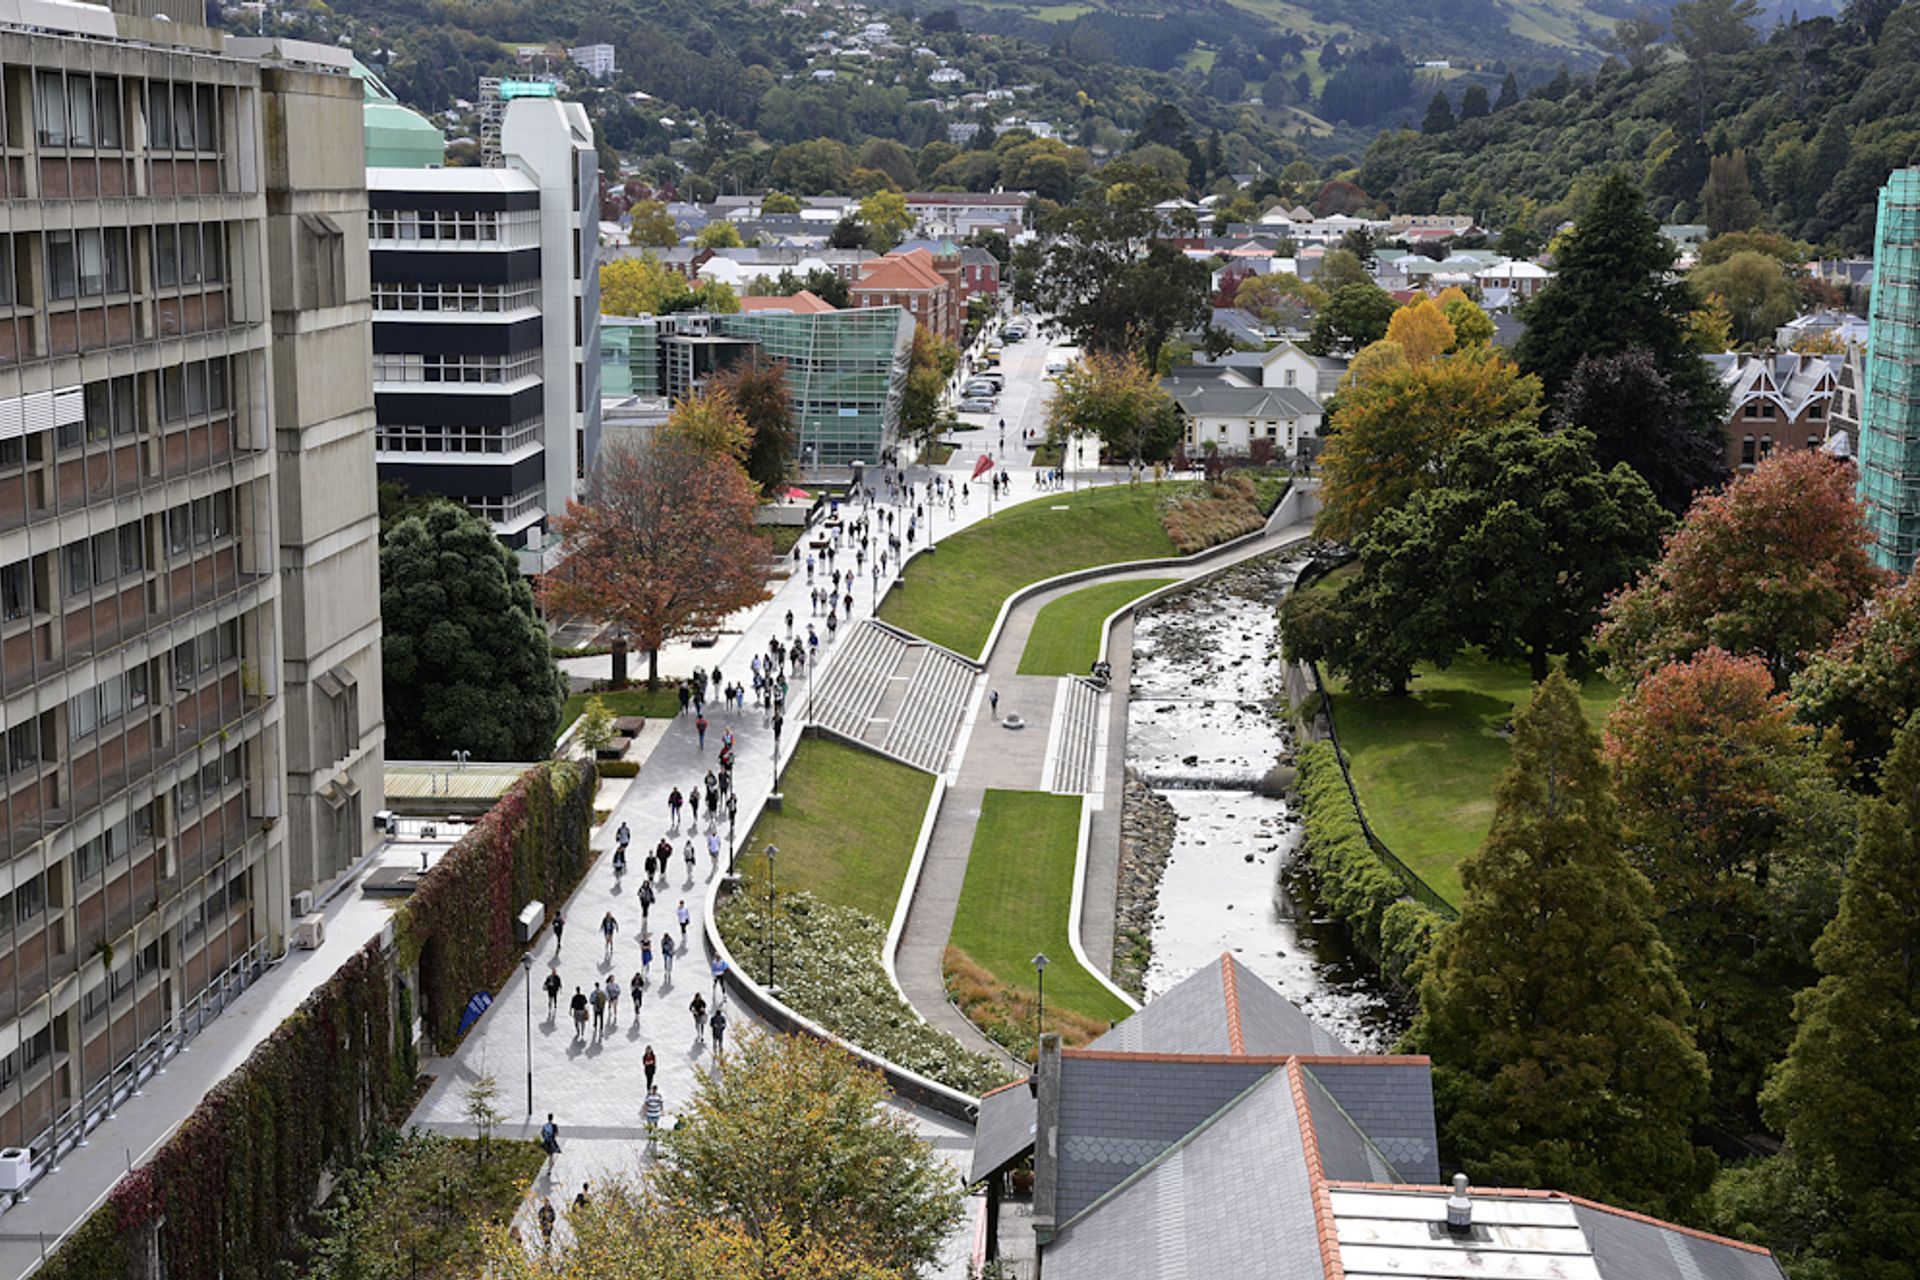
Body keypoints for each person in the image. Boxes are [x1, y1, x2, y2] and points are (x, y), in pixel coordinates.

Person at [643, 1085, 665, 1152]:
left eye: (655, 1089)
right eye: (653, 1089)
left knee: (655, 1123)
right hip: (649, 1112)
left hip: (656, 1112)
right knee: (649, 1124)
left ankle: (655, 1132)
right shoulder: (648, 1096)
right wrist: (645, 1111)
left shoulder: (659, 1096)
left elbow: (661, 1103)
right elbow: (646, 1103)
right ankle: (650, 1133)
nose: (654, 1090)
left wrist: (662, 1111)